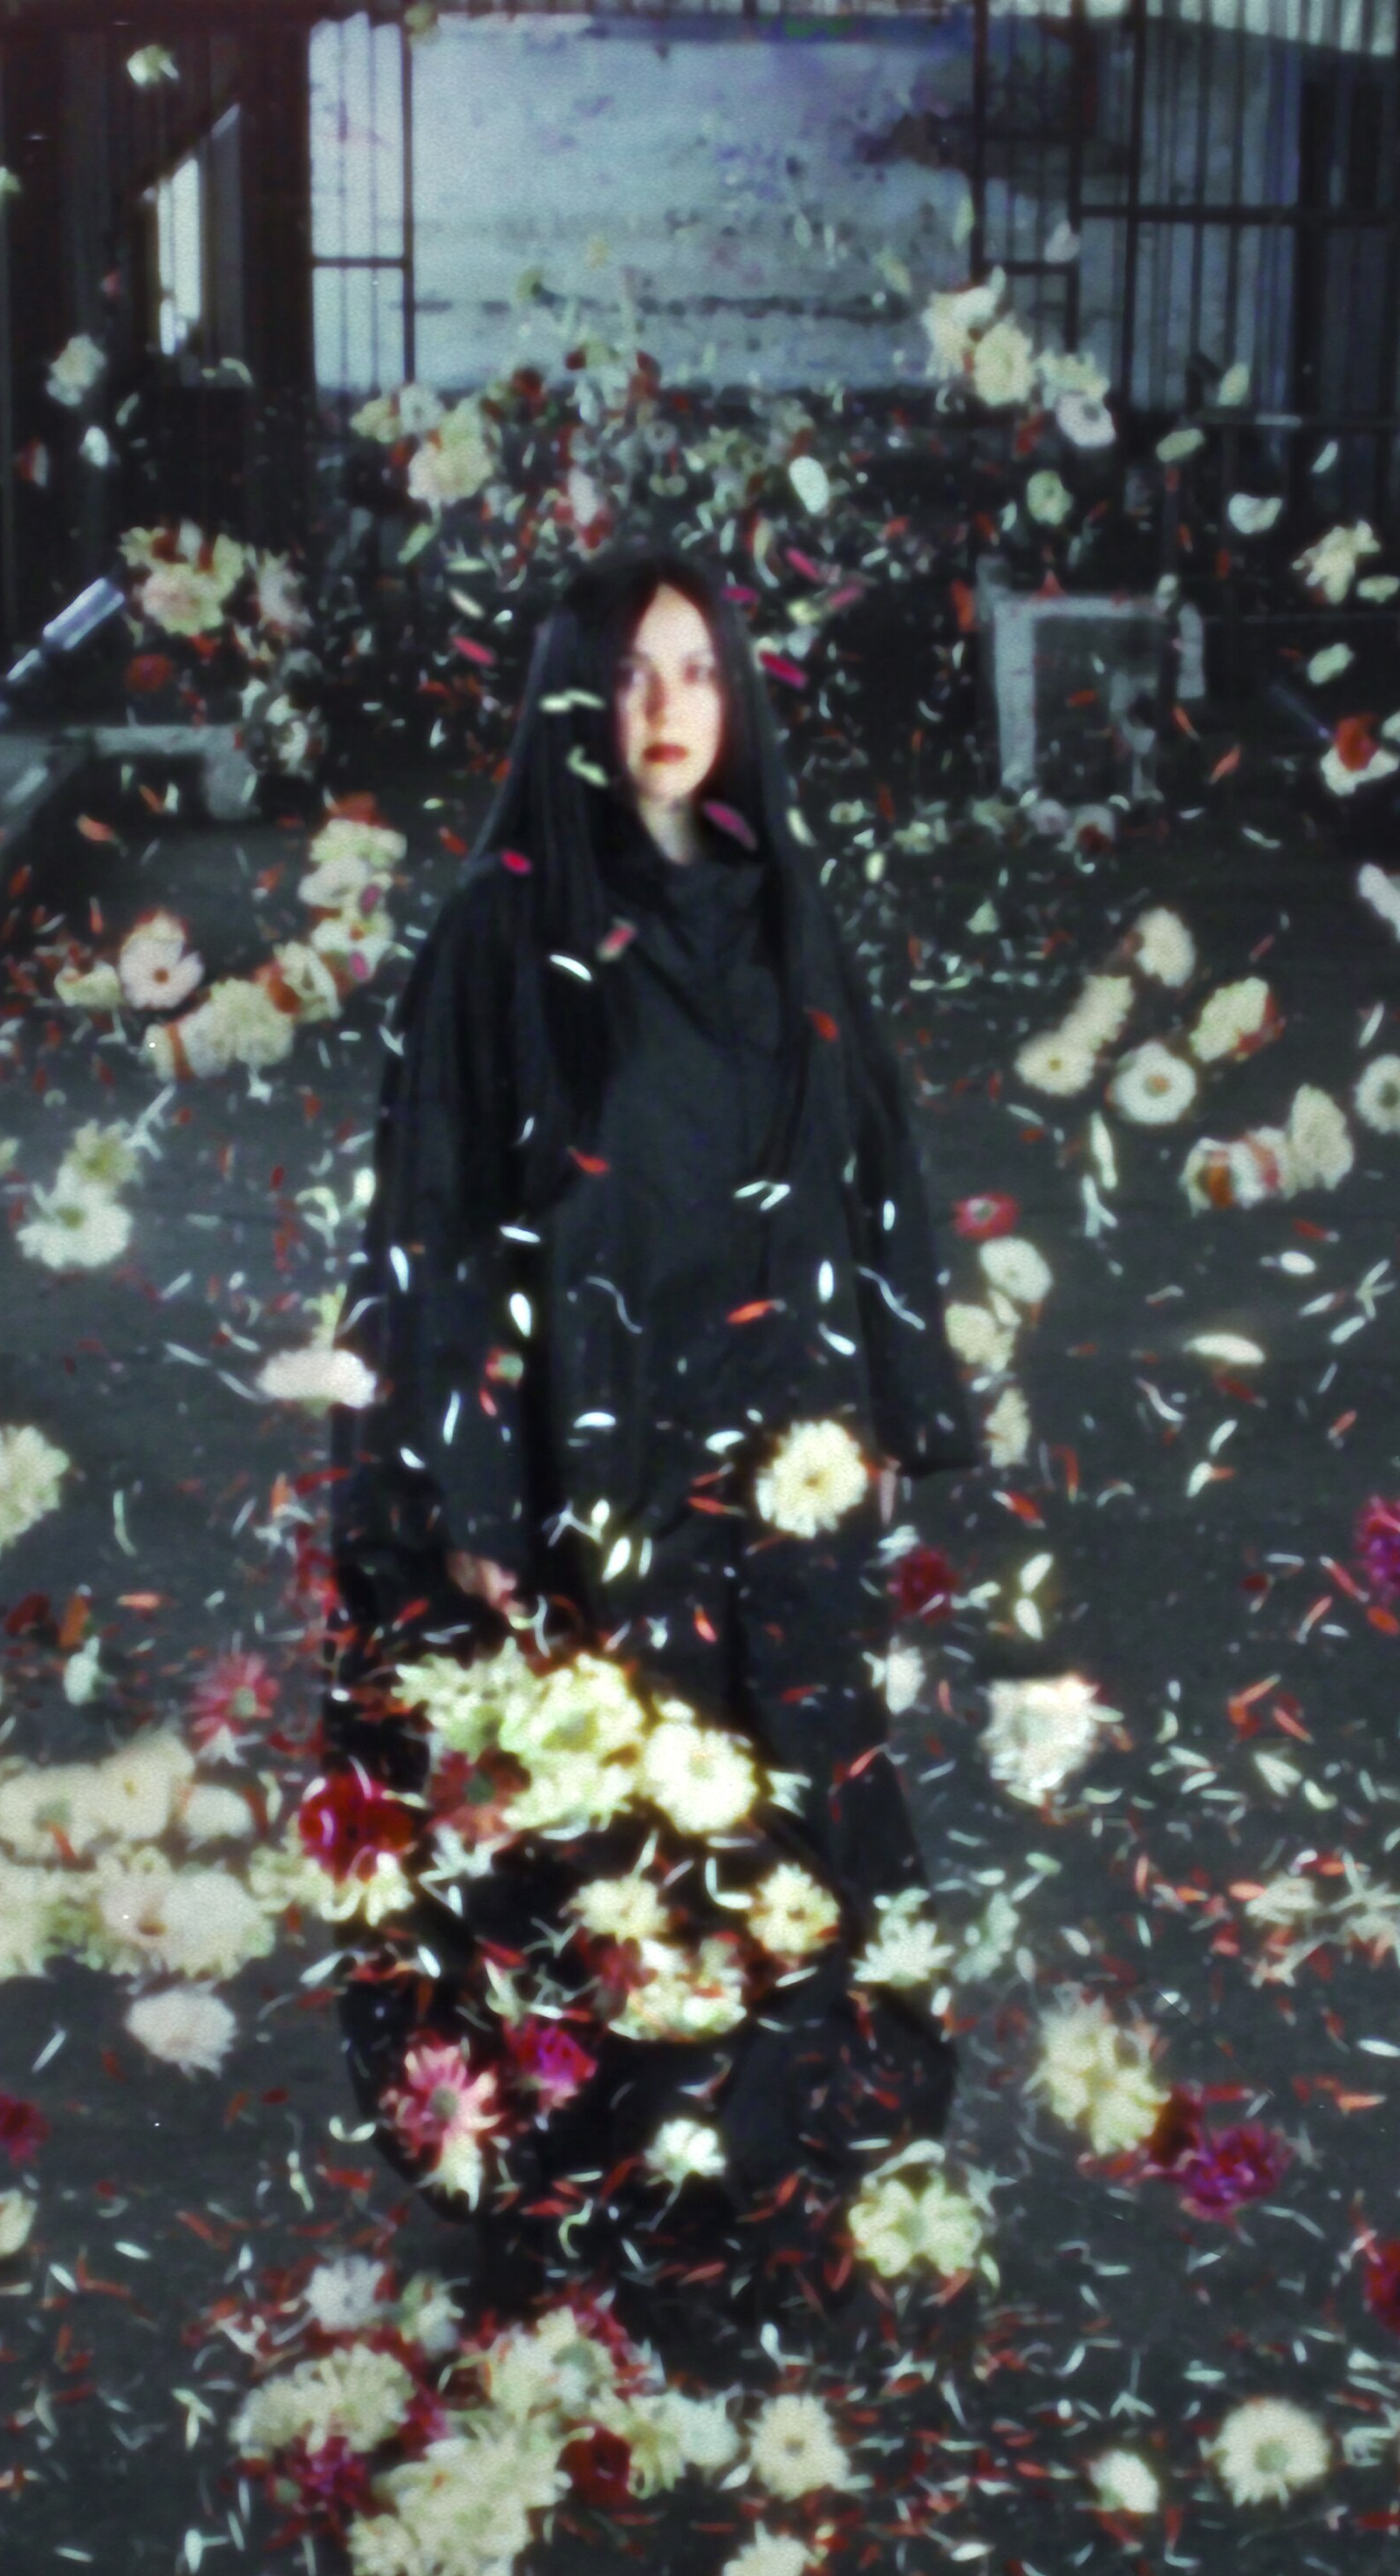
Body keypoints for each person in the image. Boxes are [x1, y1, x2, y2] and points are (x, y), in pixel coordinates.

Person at [315, 539, 980, 2320]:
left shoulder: (780, 905)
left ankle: (758, 2168)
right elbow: (434, 1213)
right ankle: (598, 2187)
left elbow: (870, 1160)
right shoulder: (501, 935)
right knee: (607, 1832)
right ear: (568, 706)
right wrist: (460, 1474)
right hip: (586, 1471)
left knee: (780, 1811)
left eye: (691, 671)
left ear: (737, 693)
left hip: (777, 1451)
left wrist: (896, 1393)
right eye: (623, 677)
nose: (663, 710)